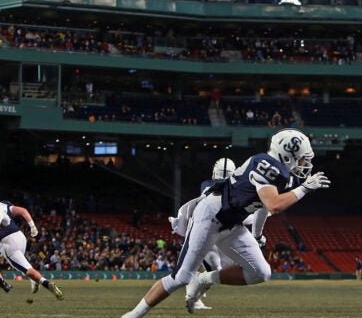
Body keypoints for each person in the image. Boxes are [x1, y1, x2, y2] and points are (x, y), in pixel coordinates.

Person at [122, 128, 331, 317]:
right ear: (287, 155)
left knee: (261, 272)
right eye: (302, 159)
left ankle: (205, 279)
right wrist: (304, 189)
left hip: (233, 223)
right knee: (181, 278)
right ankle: (133, 315)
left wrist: (257, 235)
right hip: (210, 217)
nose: (305, 164)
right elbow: (274, 204)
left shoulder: (281, 172)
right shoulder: (267, 166)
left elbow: (263, 208)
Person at [170, 157, 238, 311]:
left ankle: (194, 296)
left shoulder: (226, 187)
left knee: (214, 269)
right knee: (206, 269)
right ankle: (193, 297)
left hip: (215, 233)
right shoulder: (209, 185)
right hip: (203, 232)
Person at [0, 199, 64, 300]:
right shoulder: (3, 205)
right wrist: (32, 226)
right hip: (19, 236)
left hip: (6, 243)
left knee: (26, 269)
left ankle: (46, 283)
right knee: (24, 265)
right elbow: (23, 211)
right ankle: (33, 281)